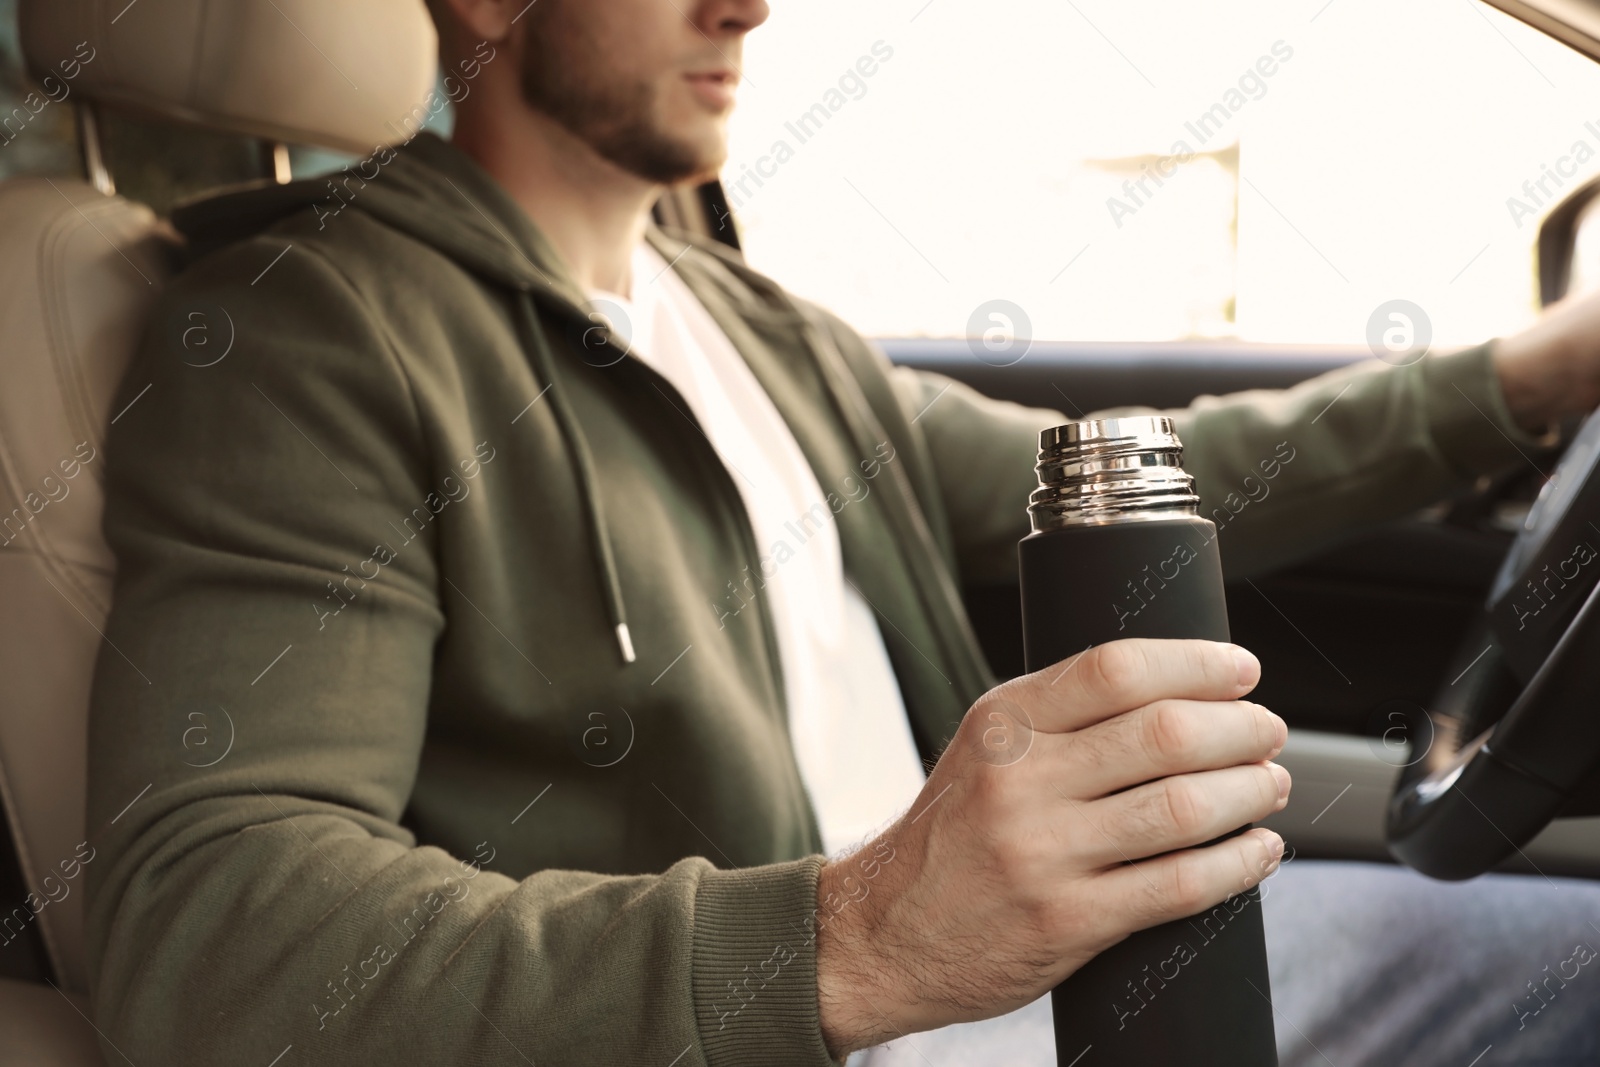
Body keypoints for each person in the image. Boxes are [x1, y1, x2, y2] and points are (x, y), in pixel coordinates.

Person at [83, 0, 1600, 1063]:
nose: (748, 8)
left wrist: (1534, 375)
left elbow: (1159, 476)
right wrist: (862, 939)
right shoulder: (309, 334)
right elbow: (216, 935)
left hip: (1023, 983)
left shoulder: (757, 325)